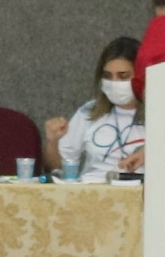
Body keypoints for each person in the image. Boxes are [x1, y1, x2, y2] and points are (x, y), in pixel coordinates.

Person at [46, 36, 146, 179]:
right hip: (92, 189)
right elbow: (56, 170)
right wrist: (52, 141)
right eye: (108, 76)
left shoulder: (160, 112)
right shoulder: (89, 111)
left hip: (141, 190)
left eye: (123, 76)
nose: (114, 82)